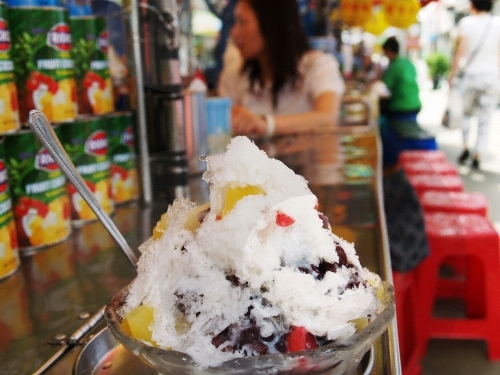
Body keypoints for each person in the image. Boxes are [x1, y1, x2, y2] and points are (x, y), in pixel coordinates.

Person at [217, 0, 345, 137]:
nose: (234, 32)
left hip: (307, 158)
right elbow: (220, 130)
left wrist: (265, 124)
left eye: (242, 22)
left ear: (271, 25)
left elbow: (327, 118)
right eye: (235, 22)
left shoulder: (318, 66)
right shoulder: (235, 74)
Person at [448, 0, 500, 170]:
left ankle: (465, 146)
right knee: (485, 118)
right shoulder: (497, 23)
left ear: (473, 4)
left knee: (466, 115)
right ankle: (478, 152)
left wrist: (452, 75)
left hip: (470, 76)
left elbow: (460, 52)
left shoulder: (466, 23)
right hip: (491, 78)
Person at [380, 36, 421, 123]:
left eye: (385, 52)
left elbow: (384, 88)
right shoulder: (408, 62)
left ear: (389, 51)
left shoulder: (394, 66)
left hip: (400, 107)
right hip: (415, 104)